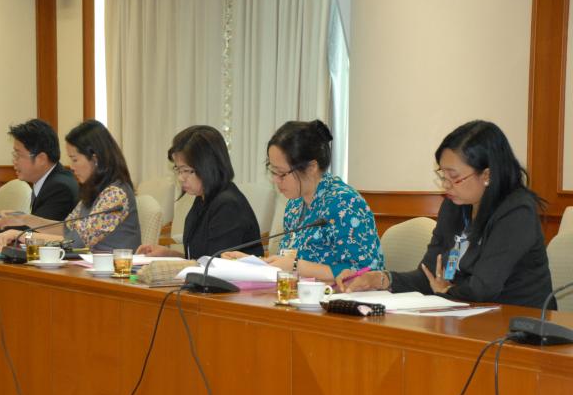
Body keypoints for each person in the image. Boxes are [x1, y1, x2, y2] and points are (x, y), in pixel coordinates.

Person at [337, 120, 556, 309]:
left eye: (454, 177)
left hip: (521, 325)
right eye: (443, 175)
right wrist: (380, 279)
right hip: (465, 316)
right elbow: (428, 276)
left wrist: (446, 291)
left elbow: (483, 289)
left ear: (487, 175)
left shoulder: (517, 212)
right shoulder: (455, 206)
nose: (446, 185)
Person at [224, 120, 383, 282]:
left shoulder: (345, 203)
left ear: (311, 167)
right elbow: (287, 262)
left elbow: (366, 271)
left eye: (282, 173)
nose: (276, 180)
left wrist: (296, 266)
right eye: (272, 171)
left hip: (338, 296)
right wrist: (252, 263)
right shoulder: (294, 205)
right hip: (300, 293)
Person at [0, 120, 141, 252]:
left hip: (117, 274)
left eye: (75, 159)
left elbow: (75, 242)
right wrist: (25, 219)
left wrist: (21, 235)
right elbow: (67, 229)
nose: (71, 166)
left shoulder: (115, 194)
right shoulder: (95, 189)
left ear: (95, 159)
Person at [137, 125, 263, 259]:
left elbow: (215, 265)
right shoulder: (203, 198)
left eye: (186, 170)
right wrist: (168, 254)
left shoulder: (227, 205)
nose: (180, 178)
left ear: (207, 166)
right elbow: (200, 258)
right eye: (178, 170)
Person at [0, 119, 78, 241]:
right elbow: (29, 224)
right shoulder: (49, 180)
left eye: (18, 155)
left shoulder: (60, 188)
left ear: (41, 159)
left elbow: (32, 232)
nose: (14, 161)